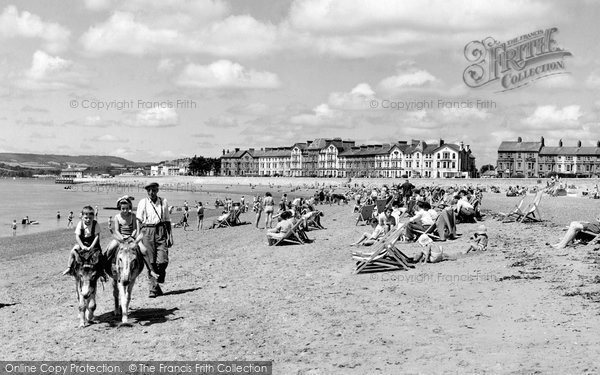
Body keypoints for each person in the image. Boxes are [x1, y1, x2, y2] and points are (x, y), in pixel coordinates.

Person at [105, 196, 159, 279]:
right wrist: (122, 238)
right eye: (123, 208)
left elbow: (134, 229)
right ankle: (104, 268)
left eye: (127, 208)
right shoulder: (117, 217)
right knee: (110, 248)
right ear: (120, 208)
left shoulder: (132, 216)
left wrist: (131, 236)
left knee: (144, 250)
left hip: (132, 238)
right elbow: (117, 230)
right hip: (121, 238)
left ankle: (150, 270)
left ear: (129, 207)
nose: (125, 210)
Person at [136, 182, 172, 298]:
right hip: (147, 231)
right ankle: (153, 288)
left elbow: (167, 220)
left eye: (154, 190)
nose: (151, 192)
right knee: (150, 261)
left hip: (161, 230)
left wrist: (170, 236)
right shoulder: (143, 202)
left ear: (157, 190)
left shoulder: (163, 202)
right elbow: (138, 220)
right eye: (149, 190)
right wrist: (138, 234)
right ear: (147, 191)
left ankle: (158, 281)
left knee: (163, 260)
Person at [62, 206, 101, 276]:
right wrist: (82, 246)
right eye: (86, 218)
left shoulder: (95, 224)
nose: (88, 220)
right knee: (73, 251)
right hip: (82, 243)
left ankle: (102, 272)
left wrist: (91, 247)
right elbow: (77, 236)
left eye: (90, 218)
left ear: (93, 217)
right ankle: (69, 267)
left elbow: (96, 236)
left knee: (99, 256)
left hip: (93, 244)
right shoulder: (80, 224)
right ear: (82, 217)